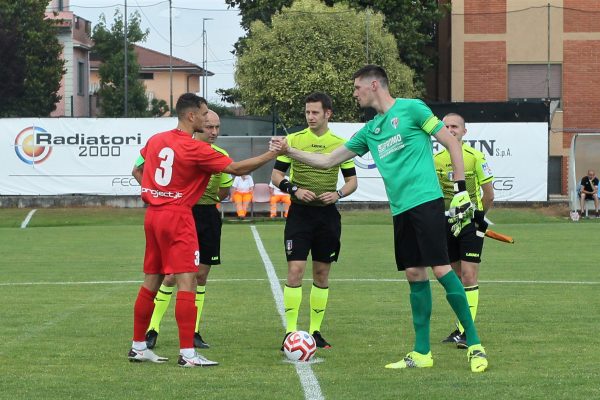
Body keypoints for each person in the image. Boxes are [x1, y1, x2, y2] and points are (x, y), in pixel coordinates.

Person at [272, 65, 488, 373]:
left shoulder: (411, 108)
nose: (354, 93)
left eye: (357, 88)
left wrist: (461, 190)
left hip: (426, 202)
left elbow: (451, 142)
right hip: (400, 211)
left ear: (374, 85)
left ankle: (475, 345)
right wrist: (289, 151)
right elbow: (327, 160)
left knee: (441, 269)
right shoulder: (370, 130)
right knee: (414, 274)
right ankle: (422, 352)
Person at [128, 93, 284, 368]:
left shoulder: (157, 139)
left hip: (153, 215)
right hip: (178, 216)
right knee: (188, 282)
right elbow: (236, 169)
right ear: (191, 116)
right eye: (203, 115)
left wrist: (155, 192)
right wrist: (272, 154)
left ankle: (138, 346)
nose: (206, 119)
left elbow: (137, 170)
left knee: (151, 279)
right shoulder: (194, 148)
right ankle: (188, 354)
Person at [132, 110, 232, 351]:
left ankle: (194, 331)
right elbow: (138, 169)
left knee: (200, 276)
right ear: (196, 122)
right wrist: (162, 194)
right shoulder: (179, 146)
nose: (214, 132)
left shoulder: (220, 155)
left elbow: (223, 192)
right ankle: (153, 329)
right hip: (179, 214)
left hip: (206, 216)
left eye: (217, 127)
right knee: (170, 276)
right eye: (209, 126)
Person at [272, 92, 357, 350]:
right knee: (295, 270)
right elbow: (276, 175)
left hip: (327, 216)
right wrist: (294, 189)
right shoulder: (293, 141)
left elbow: (352, 181)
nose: (310, 117)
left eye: (315, 112)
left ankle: (315, 332)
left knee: (321, 273)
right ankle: (290, 332)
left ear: (327, 113)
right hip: (300, 214)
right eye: (307, 112)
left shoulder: (340, 144)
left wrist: (338, 193)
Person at [434, 113, 494, 348]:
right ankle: (460, 328)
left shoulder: (475, 157)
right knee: (456, 278)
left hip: (470, 225)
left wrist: (480, 218)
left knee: (469, 276)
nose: (450, 130)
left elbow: (488, 194)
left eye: (455, 126)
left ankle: (467, 331)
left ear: (464, 131)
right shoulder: (436, 159)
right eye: (446, 126)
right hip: (447, 224)